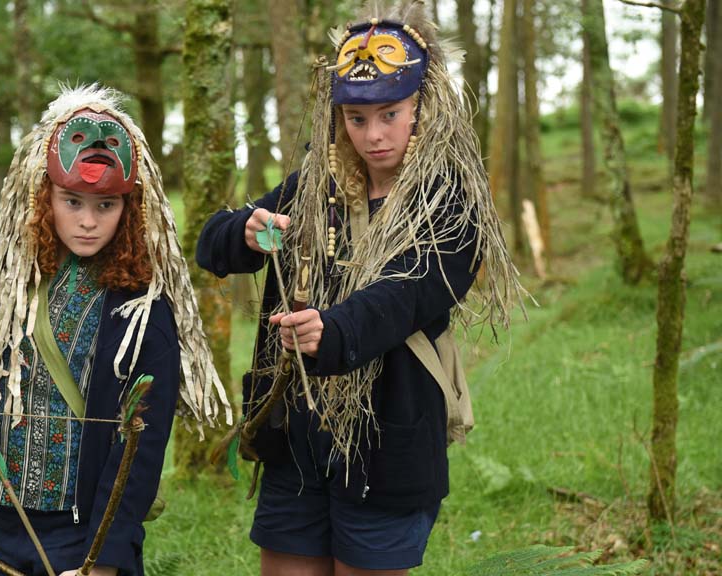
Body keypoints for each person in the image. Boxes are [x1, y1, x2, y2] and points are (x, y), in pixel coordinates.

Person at [197, 4, 524, 575]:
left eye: (390, 114)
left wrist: (335, 328)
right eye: (356, 117)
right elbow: (212, 246)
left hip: (389, 436)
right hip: (296, 434)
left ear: (425, 105)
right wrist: (244, 231)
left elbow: (409, 293)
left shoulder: (452, 203)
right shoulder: (315, 186)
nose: (373, 136)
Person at [0, 84, 229, 576]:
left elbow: (140, 452)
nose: (86, 221)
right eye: (72, 201)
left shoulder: (144, 307)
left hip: (83, 535)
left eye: (106, 206)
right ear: (43, 195)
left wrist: (103, 560)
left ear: (130, 208)